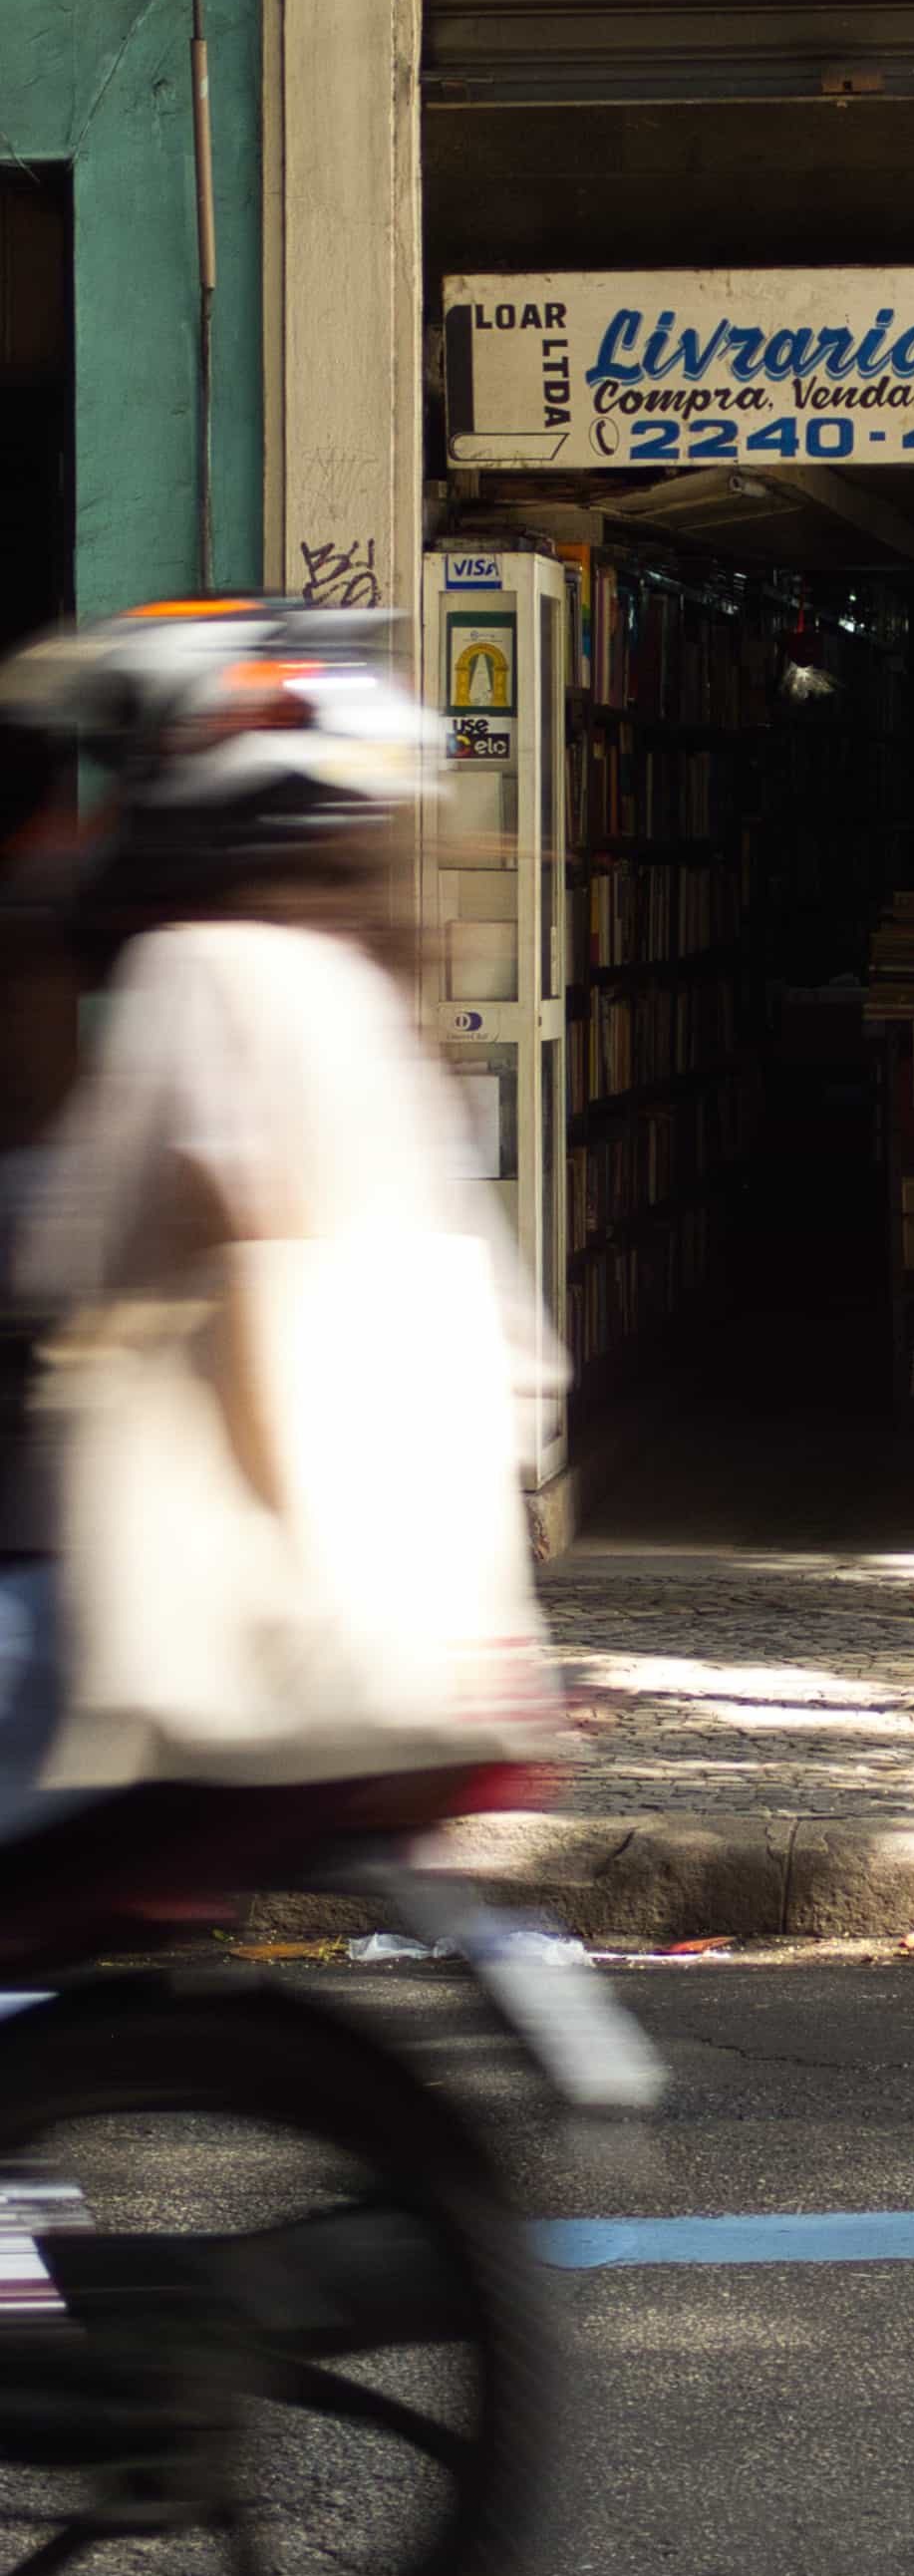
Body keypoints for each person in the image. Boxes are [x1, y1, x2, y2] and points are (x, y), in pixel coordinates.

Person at [0, 599, 564, 1790]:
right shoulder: (370, 991)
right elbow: (509, 1337)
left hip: (223, 1595)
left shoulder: (198, 970)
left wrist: (312, 1542)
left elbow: (229, 1247)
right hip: (422, 1599)